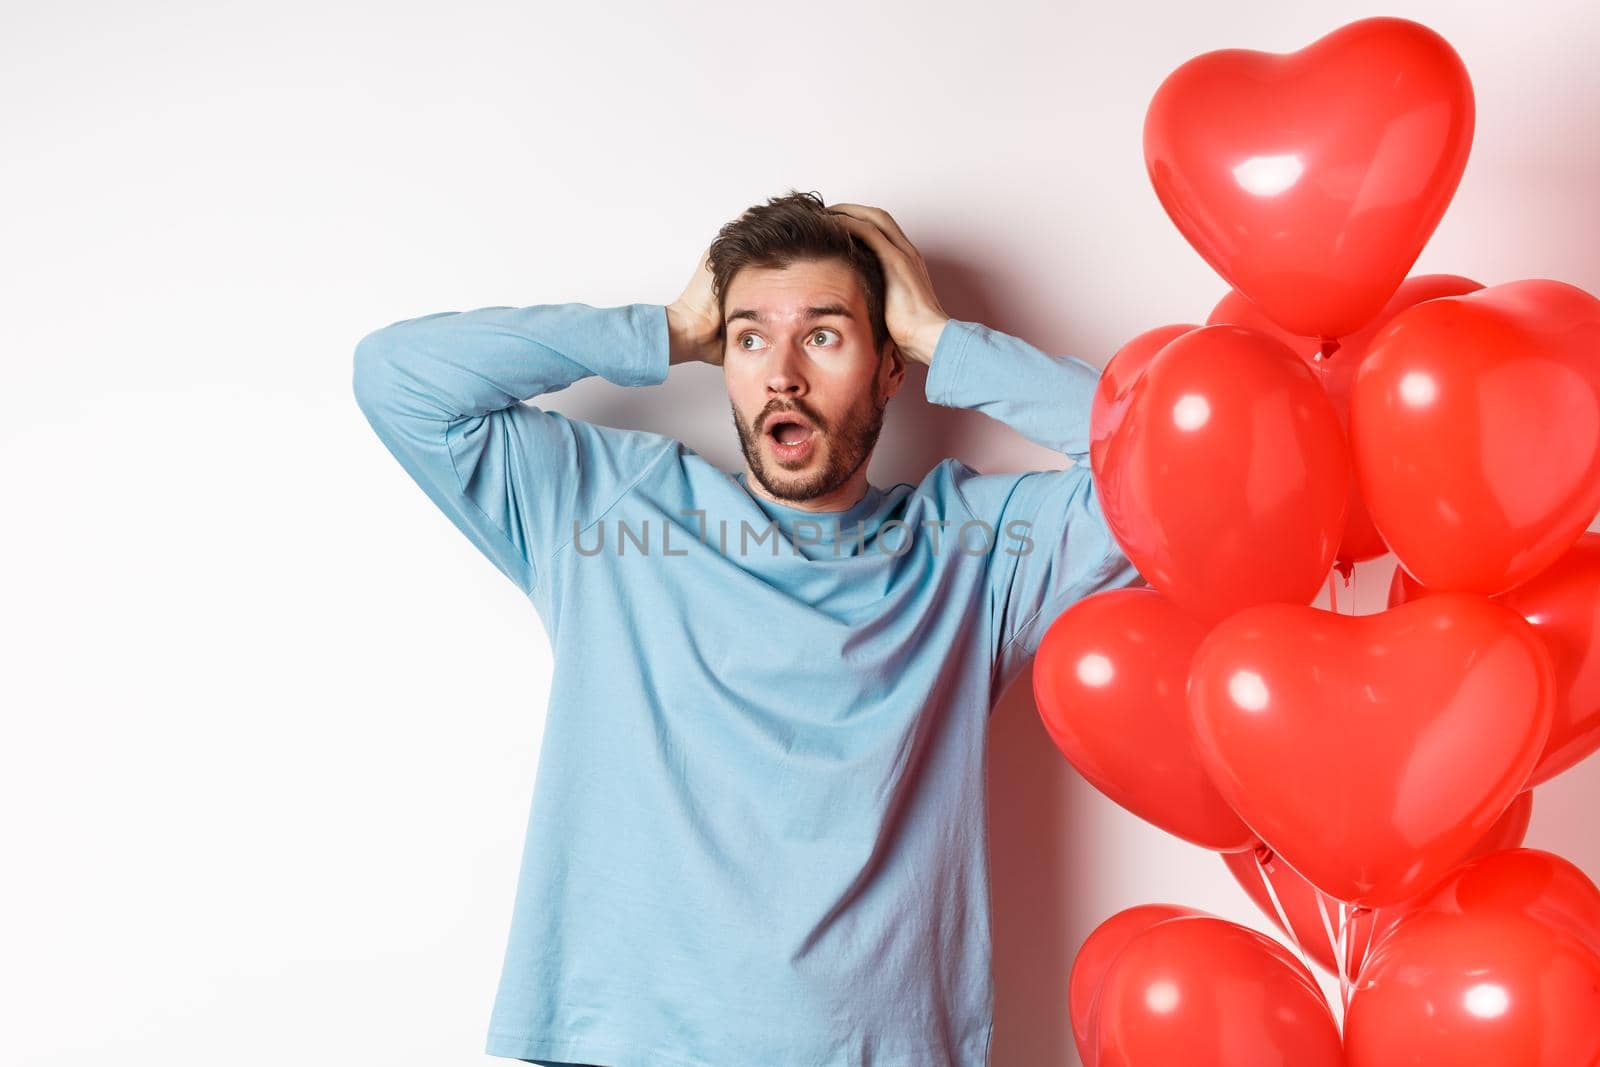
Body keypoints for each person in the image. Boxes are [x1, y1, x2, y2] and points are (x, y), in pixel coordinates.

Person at [351, 190, 1143, 1067]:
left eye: (825, 334)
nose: (782, 374)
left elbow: (1164, 472)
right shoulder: (608, 509)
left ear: (889, 369)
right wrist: (668, 329)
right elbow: (398, 375)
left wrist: (941, 338)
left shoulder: (973, 549)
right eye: (750, 336)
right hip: (629, 1045)